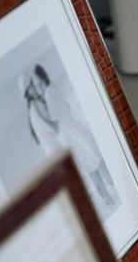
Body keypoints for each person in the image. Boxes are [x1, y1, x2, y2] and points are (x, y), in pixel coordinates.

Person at [19, 64, 116, 211]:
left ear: (42, 79)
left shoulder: (47, 95)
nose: (37, 88)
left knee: (95, 170)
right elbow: (59, 119)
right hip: (73, 137)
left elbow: (54, 121)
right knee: (95, 168)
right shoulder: (47, 94)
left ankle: (109, 200)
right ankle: (110, 199)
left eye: (37, 84)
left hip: (73, 138)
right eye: (34, 85)